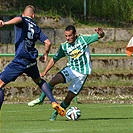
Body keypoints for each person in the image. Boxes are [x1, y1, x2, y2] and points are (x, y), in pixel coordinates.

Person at [28, 25, 105, 121]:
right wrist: (44, 72)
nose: (68, 38)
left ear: (75, 34)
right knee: (53, 81)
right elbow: (54, 59)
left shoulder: (83, 39)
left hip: (82, 74)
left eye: (69, 36)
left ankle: (55, 114)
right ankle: (41, 99)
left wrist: (101, 34)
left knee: (68, 99)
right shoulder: (64, 46)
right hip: (71, 69)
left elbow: (99, 36)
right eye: (66, 36)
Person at [0, 5, 66, 117]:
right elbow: (48, 42)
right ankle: (53, 101)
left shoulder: (22, 19)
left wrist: (5, 23)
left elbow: (19, 19)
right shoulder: (36, 28)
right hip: (31, 61)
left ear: (24, 14)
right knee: (39, 81)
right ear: (33, 16)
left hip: (20, 60)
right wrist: (45, 54)